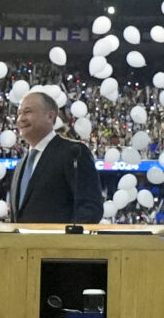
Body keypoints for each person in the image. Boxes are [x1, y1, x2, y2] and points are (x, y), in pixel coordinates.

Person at [7, 86, 102, 224]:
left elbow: (90, 208)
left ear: (50, 116)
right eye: (19, 113)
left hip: (57, 245)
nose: (20, 119)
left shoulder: (73, 152)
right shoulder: (20, 165)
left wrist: (63, 242)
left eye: (27, 112)